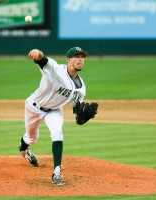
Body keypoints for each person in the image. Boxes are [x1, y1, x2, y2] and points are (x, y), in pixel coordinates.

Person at [18, 47, 98, 185]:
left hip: (54, 110)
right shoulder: (56, 70)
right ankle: (23, 150)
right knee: (31, 138)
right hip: (33, 107)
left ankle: (57, 172)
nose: (80, 59)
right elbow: (43, 60)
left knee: (57, 133)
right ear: (68, 60)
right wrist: (38, 53)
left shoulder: (81, 87)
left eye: (82, 57)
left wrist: (81, 119)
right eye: (77, 56)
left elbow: (76, 110)